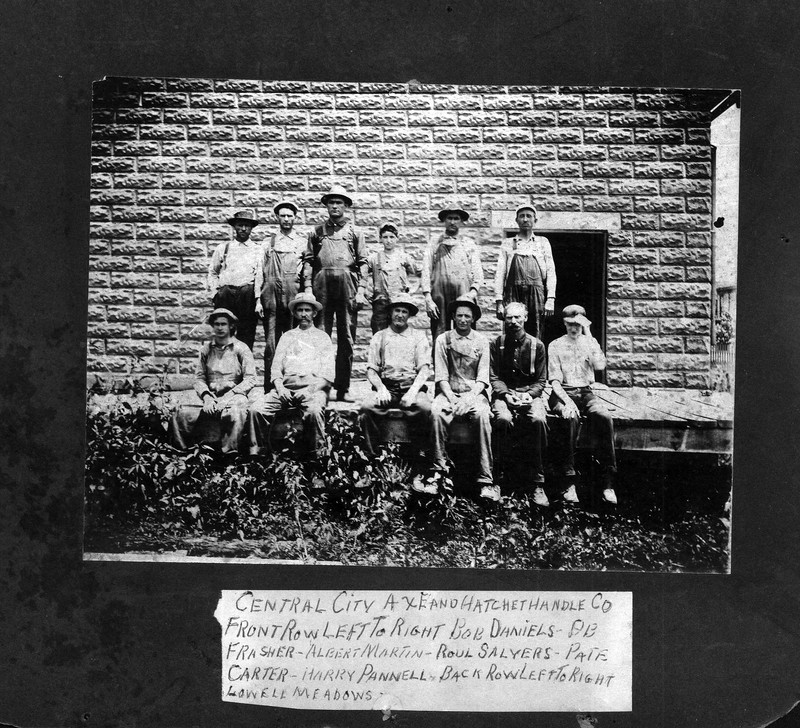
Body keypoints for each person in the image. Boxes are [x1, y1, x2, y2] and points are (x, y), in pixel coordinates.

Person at [247, 292, 335, 464]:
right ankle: (257, 457)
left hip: (312, 388)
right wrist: (280, 388)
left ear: (314, 313)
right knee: (256, 410)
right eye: (299, 310)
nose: (303, 314)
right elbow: (276, 369)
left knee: (315, 412)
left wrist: (310, 390)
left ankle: (317, 461)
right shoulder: (287, 337)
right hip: (286, 389)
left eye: (307, 310)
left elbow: (328, 375)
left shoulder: (322, 338)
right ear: (294, 313)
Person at [302, 184, 368, 402]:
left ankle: (343, 387)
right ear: (326, 206)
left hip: (347, 285)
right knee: (321, 336)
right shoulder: (317, 232)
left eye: (339, 202)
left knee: (347, 337)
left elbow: (363, 262)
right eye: (331, 202)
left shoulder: (355, 232)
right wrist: (309, 288)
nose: (335, 206)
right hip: (322, 286)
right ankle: (323, 385)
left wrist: (361, 290)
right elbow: (309, 261)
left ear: (346, 206)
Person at [426, 296, 497, 500]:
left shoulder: (482, 341)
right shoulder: (443, 339)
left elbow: (483, 379)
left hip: (473, 394)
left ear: (473, 318)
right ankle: (438, 471)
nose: (463, 320)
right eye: (459, 316)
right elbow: (441, 376)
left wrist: (468, 400)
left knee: (483, 415)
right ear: (453, 317)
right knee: (436, 412)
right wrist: (452, 398)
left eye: (467, 316)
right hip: (448, 392)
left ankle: (486, 480)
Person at [547, 304, 617, 505]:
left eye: (578, 324)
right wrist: (567, 402)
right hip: (562, 393)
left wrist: (589, 332)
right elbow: (555, 382)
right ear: (564, 323)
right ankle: (569, 483)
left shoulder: (589, 342)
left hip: (585, 391)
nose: (574, 328)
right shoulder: (555, 345)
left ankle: (608, 483)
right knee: (570, 418)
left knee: (603, 416)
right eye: (570, 324)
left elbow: (600, 366)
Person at [169, 308, 256, 454]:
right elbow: (199, 378)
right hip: (210, 394)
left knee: (237, 412)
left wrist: (228, 397)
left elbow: (251, 379)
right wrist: (207, 397)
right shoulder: (206, 349)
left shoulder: (241, 348)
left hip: (234, 394)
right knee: (180, 410)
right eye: (216, 324)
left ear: (231, 327)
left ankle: (229, 455)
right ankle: (181, 453)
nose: (220, 328)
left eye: (223, 324)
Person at [490, 302, 549, 506]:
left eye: (517, 317)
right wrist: (505, 394)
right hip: (505, 395)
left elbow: (541, 381)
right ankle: (497, 480)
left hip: (529, 395)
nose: (513, 322)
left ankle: (537, 484)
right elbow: (494, 376)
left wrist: (529, 396)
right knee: (503, 419)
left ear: (525, 318)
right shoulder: (497, 343)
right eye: (509, 318)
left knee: (539, 419)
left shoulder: (537, 345)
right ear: (504, 319)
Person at [358, 292, 431, 458]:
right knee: (367, 408)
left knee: (425, 408)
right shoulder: (380, 337)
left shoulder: (418, 337)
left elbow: (424, 369)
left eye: (404, 312)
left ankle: (420, 462)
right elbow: (371, 369)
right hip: (387, 387)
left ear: (409, 315)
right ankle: (371, 459)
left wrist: (413, 392)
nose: (400, 315)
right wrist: (380, 388)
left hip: (410, 386)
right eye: (397, 310)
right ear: (390, 313)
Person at [254, 200, 305, 389]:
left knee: (294, 342)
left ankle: (293, 385)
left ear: (295, 218)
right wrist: (258, 299)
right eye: (282, 215)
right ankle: (270, 386)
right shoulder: (269, 243)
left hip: (293, 297)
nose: (286, 219)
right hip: (271, 298)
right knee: (271, 345)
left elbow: (306, 270)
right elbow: (259, 271)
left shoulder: (301, 243)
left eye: (289, 216)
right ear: (277, 218)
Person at [421, 205, 484, 344]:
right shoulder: (434, 243)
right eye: (450, 218)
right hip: (439, 297)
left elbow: (478, 273)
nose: (453, 222)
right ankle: (439, 365)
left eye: (456, 218)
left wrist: (472, 293)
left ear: (461, 221)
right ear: (444, 220)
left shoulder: (468, 244)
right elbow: (425, 270)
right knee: (439, 336)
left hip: (463, 295)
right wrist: (428, 298)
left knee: (464, 335)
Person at [494, 204, 556, 339]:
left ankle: (534, 360)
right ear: (516, 220)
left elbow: (551, 271)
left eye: (529, 216)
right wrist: (499, 301)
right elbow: (500, 273)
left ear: (535, 220)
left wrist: (550, 298)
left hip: (536, 292)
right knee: (512, 327)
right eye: (522, 216)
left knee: (536, 330)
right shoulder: (508, 243)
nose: (525, 219)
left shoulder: (542, 242)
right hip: (513, 292)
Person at [207, 210, 263, 352]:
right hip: (226, 295)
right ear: (234, 227)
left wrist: (257, 300)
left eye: (247, 225)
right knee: (223, 333)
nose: (243, 229)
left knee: (247, 334)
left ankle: (244, 370)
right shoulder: (224, 248)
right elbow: (213, 272)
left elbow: (259, 276)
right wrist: (215, 293)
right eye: (240, 225)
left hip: (247, 295)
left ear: (251, 228)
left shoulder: (257, 250)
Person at [364, 223, 421, 333]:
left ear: (397, 238)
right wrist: (367, 292)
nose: (388, 240)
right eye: (385, 237)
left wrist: (412, 290)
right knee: (379, 332)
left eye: (392, 237)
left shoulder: (403, 257)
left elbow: (420, 272)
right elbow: (361, 274)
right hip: (381, 303)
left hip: (398, 302)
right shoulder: (374, 258)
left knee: (398, 332)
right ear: (380, 239)